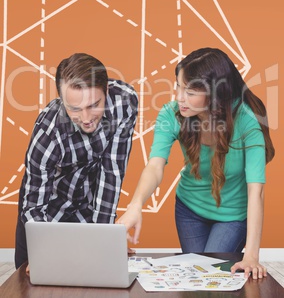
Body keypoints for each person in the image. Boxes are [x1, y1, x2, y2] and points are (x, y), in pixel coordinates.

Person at [117, 47, 275, 280]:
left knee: (212, 274)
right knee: (195, 278)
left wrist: (251, 255)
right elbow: (155, 166)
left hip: (233, 215)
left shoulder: (247, 121)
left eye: (190, 91)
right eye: (178, 86)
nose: (180, 97)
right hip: (189, 210)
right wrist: (136, 204)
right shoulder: (171, 114)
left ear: (216, 94)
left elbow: (256, 190)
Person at [15, 52, 138, 269]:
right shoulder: (48, 135)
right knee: (33, 283)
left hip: (88, 207)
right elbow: (34, 206)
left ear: (106, 90)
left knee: (96, 276)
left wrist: (104, 239)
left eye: (93, 105)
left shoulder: (124, 102)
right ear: (62, 101)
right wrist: (42, 253)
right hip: (46, 213)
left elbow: (112, 173)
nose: (87, 118)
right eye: (75, 109)